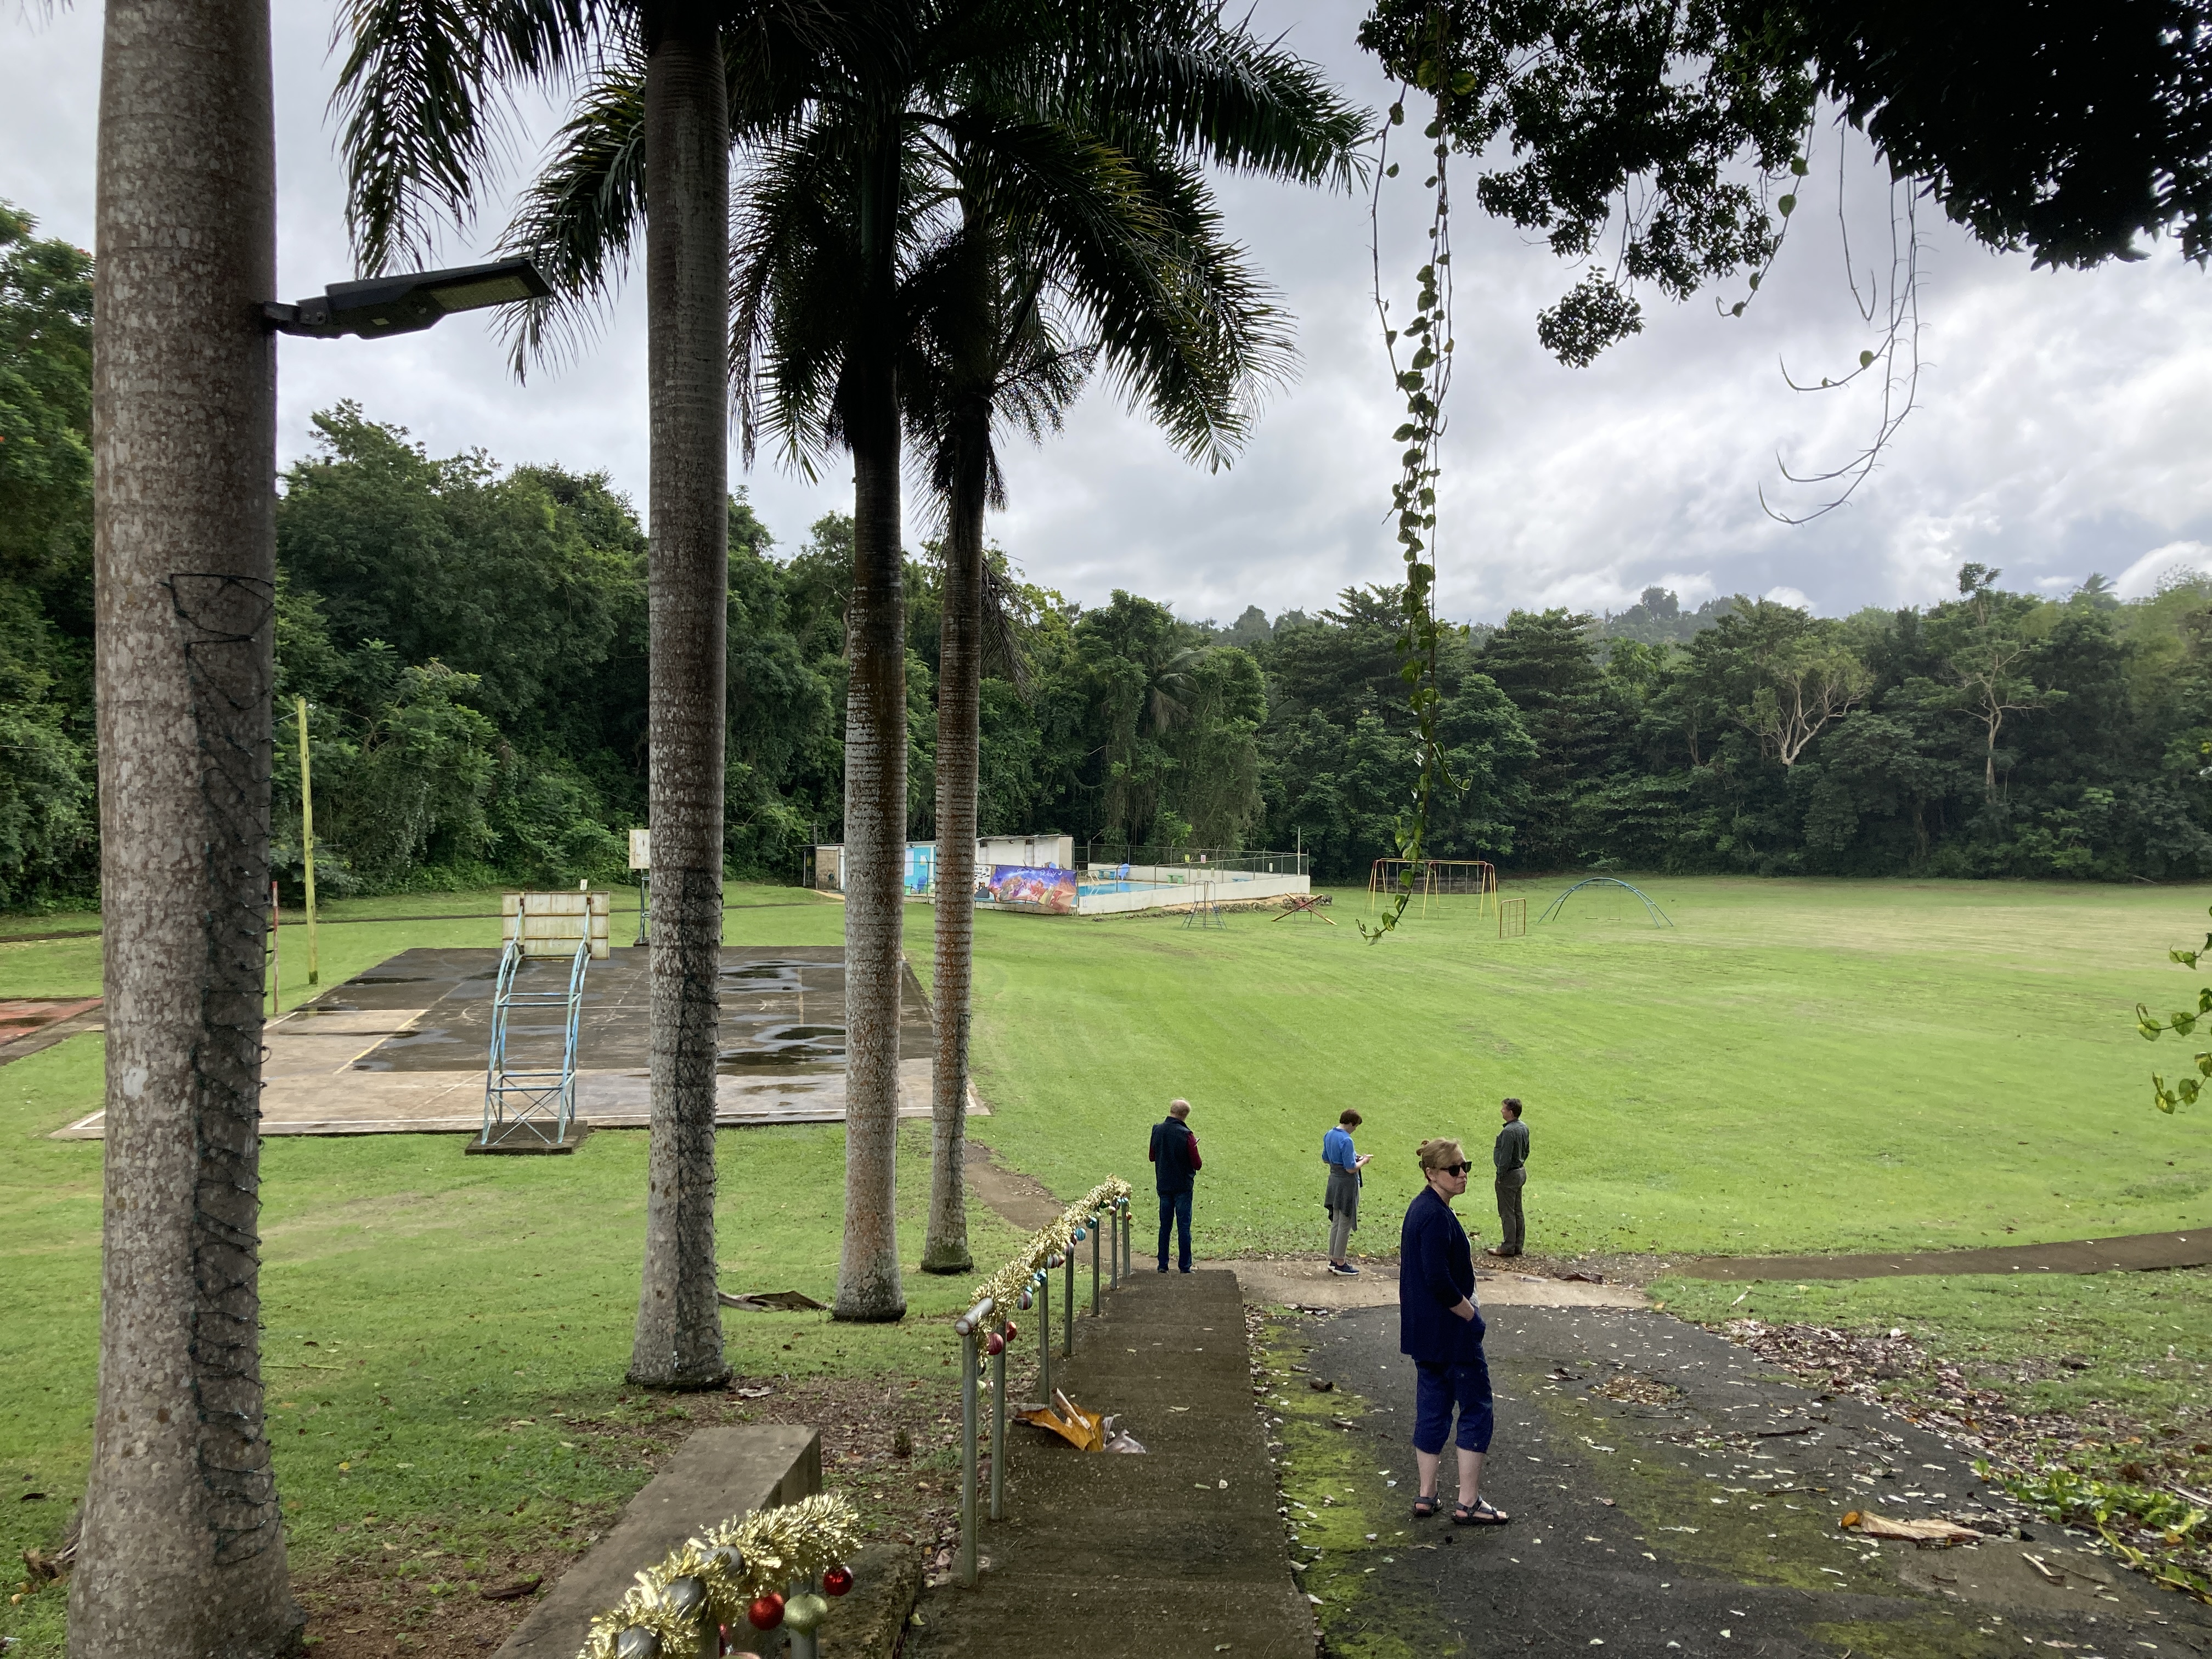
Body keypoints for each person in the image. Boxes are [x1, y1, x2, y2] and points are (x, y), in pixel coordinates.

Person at [1400, 1137, 1508, 1526]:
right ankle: (1469, 1501)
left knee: (1433, 1408)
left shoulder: (1423, 1209)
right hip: (1451, 1335)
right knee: (1477, 1408)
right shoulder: (1434, 1216)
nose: (1463, 1175)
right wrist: (1470, 1316)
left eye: (1466, 1167)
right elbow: (1438, 1280)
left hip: (1426, 1335)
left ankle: (1426, 1495)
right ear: (1432, 1173)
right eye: (1454, 1169)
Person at [1148, 1098, 1202, 1273]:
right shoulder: (1187, 1135)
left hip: (1164, 1184)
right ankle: (1185, 1266)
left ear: (1171, 1110)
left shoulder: (1157, 1130)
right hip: (1183, 1187)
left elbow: (1152, 1156)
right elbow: (1197, 1164)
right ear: (1185, 1115)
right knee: (1184, 1227)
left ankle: (1162, 1264)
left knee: (1165, 1227)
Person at [1322, 1109, 1372, 1274]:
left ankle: (1333, 1259)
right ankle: (1340, 1262)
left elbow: (1326, 1159)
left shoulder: (1329, 1134)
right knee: (1345, 1223)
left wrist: (1352, 1158)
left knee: (1337, 1222)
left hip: (1334, 1181)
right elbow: (1351, 1168)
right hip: (1346, 1185)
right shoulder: (1347, 1140)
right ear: (1351, 1123)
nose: (1355, 1129)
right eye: (1355, 1126)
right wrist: (1364, 1161)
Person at [1488, 1097, 1530, 1259]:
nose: (1502, 1111)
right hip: (1520, 1172)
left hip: (1509, 1175)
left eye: (1504, 1109)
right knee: (1518, 1210)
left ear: (1511, 1112)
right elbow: (1527, 1151)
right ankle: (1518, 1245)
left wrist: (1500, 1175)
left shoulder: (1508, 1132)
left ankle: (1507, 1246)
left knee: (1507, 1212)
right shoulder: (1523, 1127)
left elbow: (1504, 1158)